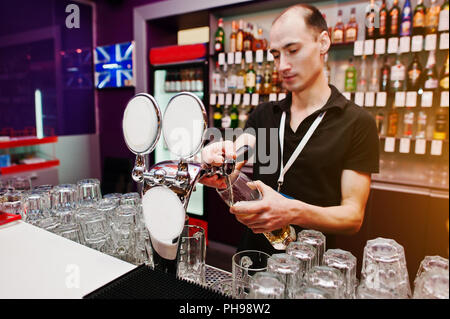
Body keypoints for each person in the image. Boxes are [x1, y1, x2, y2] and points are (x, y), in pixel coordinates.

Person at [200, 4, 379, 255]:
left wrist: (292, 211)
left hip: (314, 267)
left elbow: (352, 217)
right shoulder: (264, 115)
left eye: (293, 50)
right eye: (275, 55)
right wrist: (219, 167)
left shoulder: (357, 123)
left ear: (323, 42)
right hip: (255, 259)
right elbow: (238, 155)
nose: (282, 65)